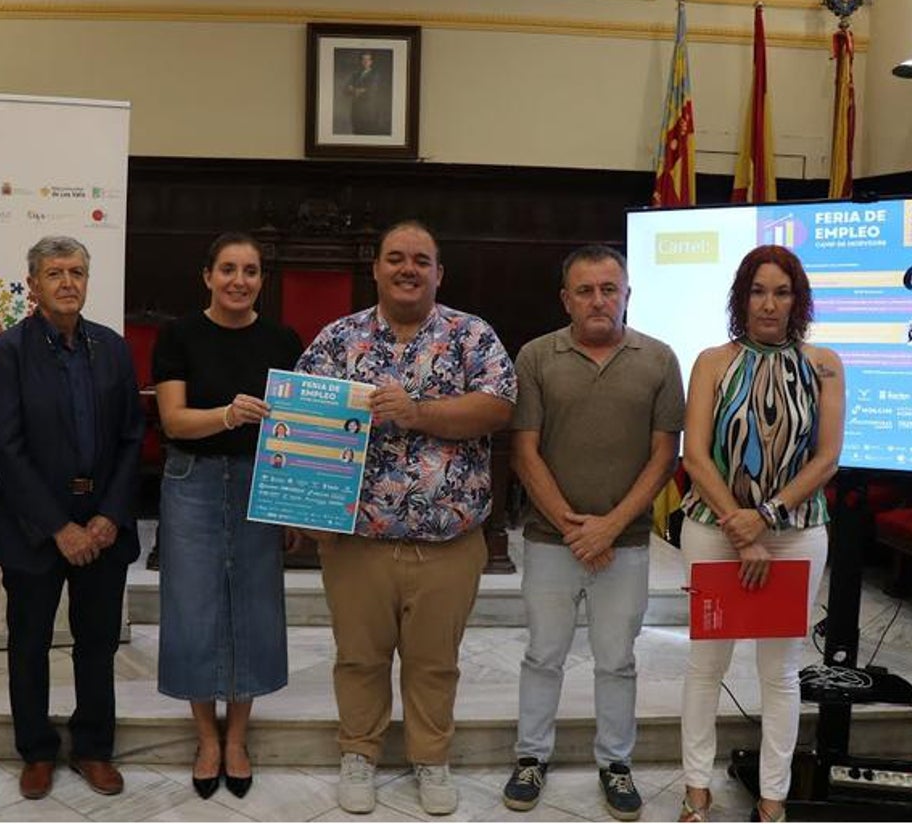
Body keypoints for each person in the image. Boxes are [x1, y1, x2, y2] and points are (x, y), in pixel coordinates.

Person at [295, 220, 516, 816]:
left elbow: (497, 406)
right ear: (376, 268)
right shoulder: (337, 340)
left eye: (421, 259)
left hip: (448, 543)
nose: (408, 268)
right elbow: (302, 421)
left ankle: (431, 759)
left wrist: (417, 413)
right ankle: (359, 754)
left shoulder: (472, 336)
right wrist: (304, 507)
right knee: (359, 657)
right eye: (396, 258)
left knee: (434, 662)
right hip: (356, 542)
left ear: (439, 272)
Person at [504, 244, 684, 822]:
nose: (598, 300)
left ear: (627, 293)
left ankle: (616, 763)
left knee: (617, 660)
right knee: (543, 655)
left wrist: (608, 527)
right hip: (550, 540)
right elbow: (523, 450)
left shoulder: (659, 360)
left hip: (625, 544)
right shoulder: (535, 356)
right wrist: (571, 525)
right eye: (585, 290)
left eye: (610, 288)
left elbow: (664, 456)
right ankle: (531, 757)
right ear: (566, 299)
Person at [677, 245, 843, 824]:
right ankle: (696, 788)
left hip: (796, 532)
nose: (768, 304)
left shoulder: (824, 364)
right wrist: (742, 530)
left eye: (781, 292)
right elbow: (695, 457)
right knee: (706, 665)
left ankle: (773, 796)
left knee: (781, 670)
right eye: (757, 291)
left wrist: (766, 518)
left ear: (797, 300)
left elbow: (826, 459)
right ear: (740, 297)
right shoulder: (712, 361)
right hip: (713, 529)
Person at [0, 236, 144, 801]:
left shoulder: (113, 348)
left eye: (77, 272)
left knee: (96, 642)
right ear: (33, 284)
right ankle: (37, 751)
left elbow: (130, 438)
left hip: (102, 523)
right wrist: (60, 527)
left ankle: (94, 748)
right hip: (35, 526)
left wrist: (109, 516)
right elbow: (5, 447)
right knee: (29, 642)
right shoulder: (7, 352)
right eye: (55, 273)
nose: (68, 282)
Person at [152, 231, 303, 800]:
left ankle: (237, 736)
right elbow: (173, 421)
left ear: (262, 279)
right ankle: (205, 738)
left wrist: (291, 506)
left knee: (254, 606)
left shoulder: (284, 340)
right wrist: (229, 415)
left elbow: (298, 433)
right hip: (192, 480)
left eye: (251, 271)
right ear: (208, 275)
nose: (239, 280)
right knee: (193, 607)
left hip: (260, 484)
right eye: (228, 269)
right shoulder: (178, 334)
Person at [343, 50, 389, 135]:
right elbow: (345, 90)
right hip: (356, 111)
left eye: (367, 60)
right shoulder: (355, 74)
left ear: (371, 62)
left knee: (367, 133)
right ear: (361, 61)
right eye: (363, 59)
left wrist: (354, 89)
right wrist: (359, 90)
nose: (365, 62)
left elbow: (371, 91)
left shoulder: (375, 75)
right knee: (356, 132)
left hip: (369, 111)